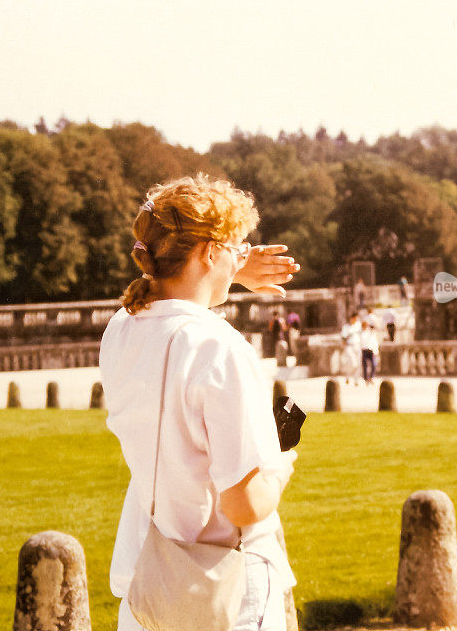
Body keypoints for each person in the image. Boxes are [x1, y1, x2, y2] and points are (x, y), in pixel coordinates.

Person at [100, 175, 300, 631]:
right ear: (210, 252)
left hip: (148, 582)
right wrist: (282, 465)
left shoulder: (120, 331)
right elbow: (243, 505)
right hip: (226, 588)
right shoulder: (220, 349)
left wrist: (225, 270)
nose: (241, 257)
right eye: (237, 247)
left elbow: (168, 309)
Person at [339, 312, 362, 385]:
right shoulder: (346, 327)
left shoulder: (358, 325)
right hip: (349, 346)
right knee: (352, 362)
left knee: (357, 363)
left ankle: (356, 380)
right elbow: (343, 337)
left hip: (357, 345)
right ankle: (347, 376)